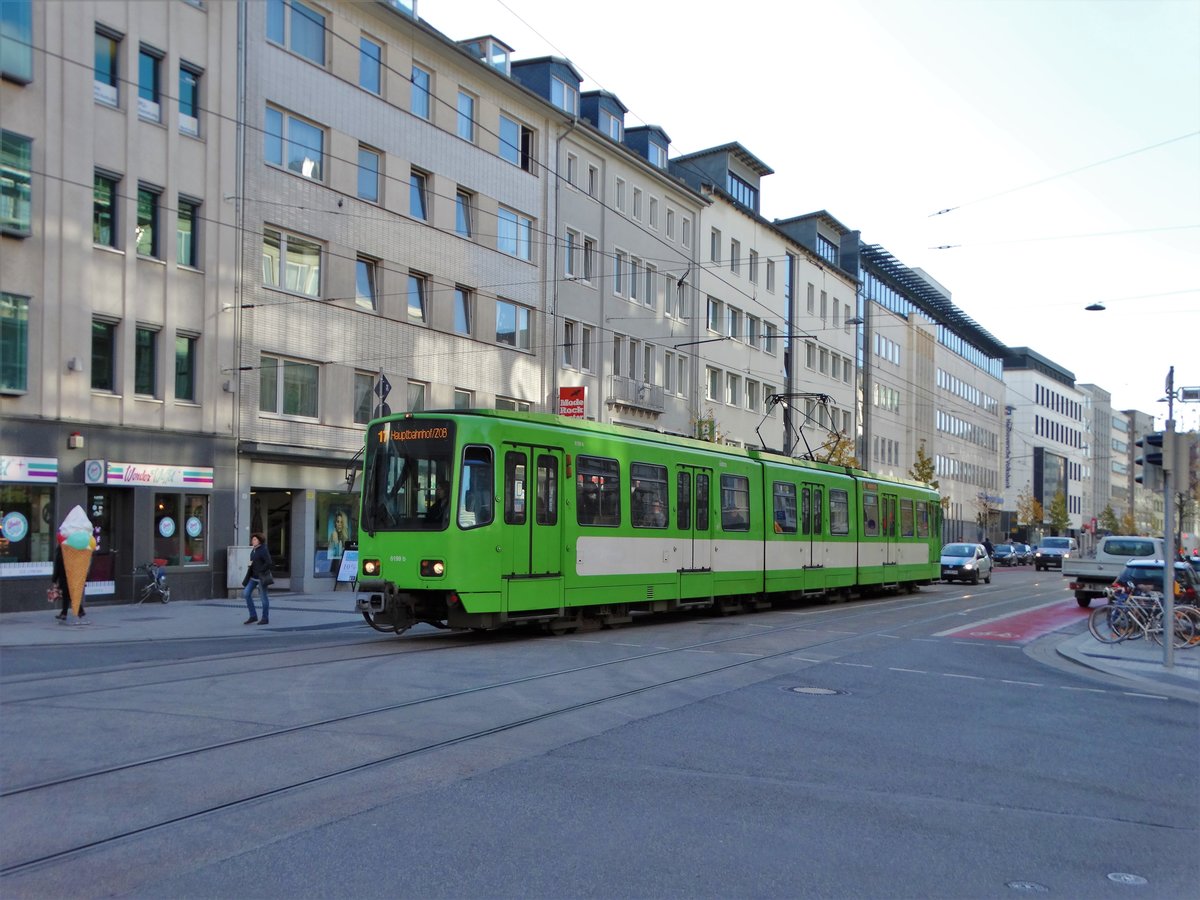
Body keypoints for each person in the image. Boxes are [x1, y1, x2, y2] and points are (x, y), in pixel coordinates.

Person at [242, 532, 273, 625]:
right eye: (252, 539)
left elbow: (269, 562)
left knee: (263, 598)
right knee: (246, 593)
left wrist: (260, 570)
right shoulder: (254, 550)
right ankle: (253, 616)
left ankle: (265, 618)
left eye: (255, 539)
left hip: (261, 578)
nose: (253, 541)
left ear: (259, 540)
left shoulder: (263, 550)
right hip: (253, 577)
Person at [51, 542, 86, 623]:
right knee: (68, 595)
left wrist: (54, 579)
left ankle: (76, 611)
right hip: (72, 577)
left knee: (68, 595)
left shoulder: (60, 555)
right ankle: (67, 613)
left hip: (64, 578)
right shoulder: (72, 554)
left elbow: (57, 568)